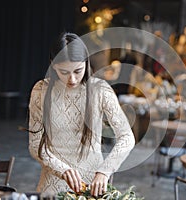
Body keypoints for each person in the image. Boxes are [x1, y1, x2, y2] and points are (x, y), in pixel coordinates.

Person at [28, 32, 135, 197]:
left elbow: (127, 137)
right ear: (52, 65)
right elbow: (35, 146)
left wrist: (104, 171)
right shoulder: (40, 91)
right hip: (51, 187)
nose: (72, 79)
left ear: (86, 62)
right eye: (64, 72)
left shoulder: (100, 90)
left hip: (93, 186)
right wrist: (62, 170)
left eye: (78, 70)